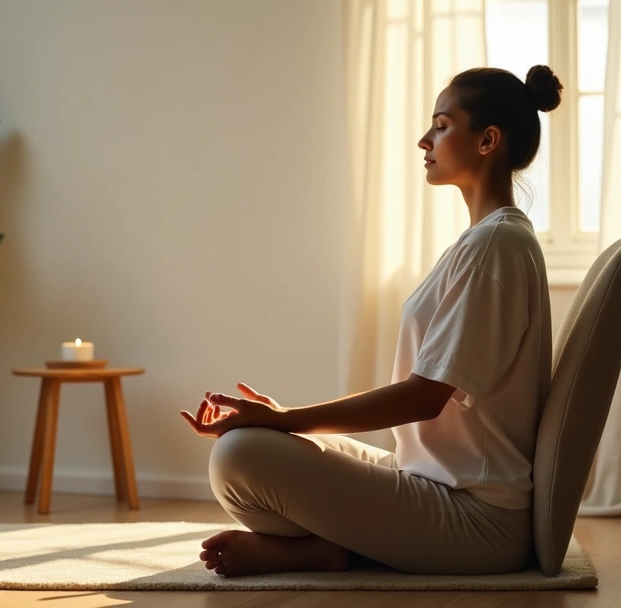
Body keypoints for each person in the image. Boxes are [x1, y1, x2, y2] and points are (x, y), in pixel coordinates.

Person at [179, 65, 561, 578]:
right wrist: (282, 420)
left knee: (243, 454)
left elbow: (423, 398)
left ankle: (326, 551)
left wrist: (285, 418)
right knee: (243, 451)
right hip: (426, 479)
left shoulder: (496, 245)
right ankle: (332, 549)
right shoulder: (485, 240)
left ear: (487, 140)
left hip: (478, 520)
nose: (424, 140)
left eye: (442, 125)